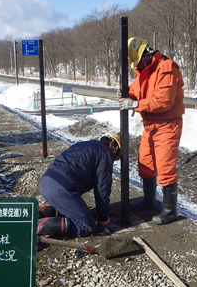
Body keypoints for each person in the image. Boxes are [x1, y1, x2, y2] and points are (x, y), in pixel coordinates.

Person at [119, 37, 185, 225]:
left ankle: (170, 211)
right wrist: (127, 94)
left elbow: (164, 102)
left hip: (167, 124)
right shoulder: (143, 70)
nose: (136, 65)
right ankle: (150, 201)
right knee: (146, 164)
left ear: (145, 54)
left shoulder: (166, 68)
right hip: (150, 124)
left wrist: (136, 104)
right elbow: (136, 89)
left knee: (165, 168)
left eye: (137, 61)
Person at [38, 133, 121, 237]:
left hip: (47, 181)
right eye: (116, 154)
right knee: (86, 225)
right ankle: (37, 227)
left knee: (72, 213)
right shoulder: (105, 152)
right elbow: (102, 188)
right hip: (61, 188)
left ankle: (41, 213)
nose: (113, 157)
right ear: (112, 145)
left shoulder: (85, 145)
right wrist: (103, 218)